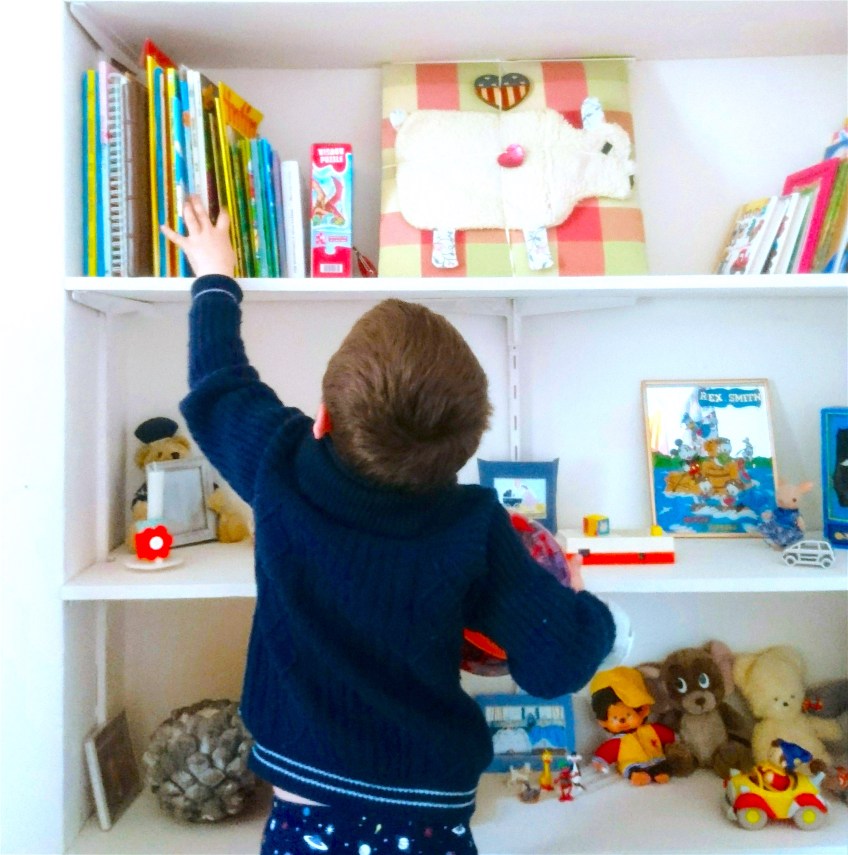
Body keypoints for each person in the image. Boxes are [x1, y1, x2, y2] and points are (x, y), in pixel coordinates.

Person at [162, 197, 616, 855]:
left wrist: (215, 276)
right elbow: (558, 666)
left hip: (303, 799)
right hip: (426, 810)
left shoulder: (280, 462)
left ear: (323, 417)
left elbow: (218, 383)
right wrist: (577, 600)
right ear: (464, 450)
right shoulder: (475, 524)